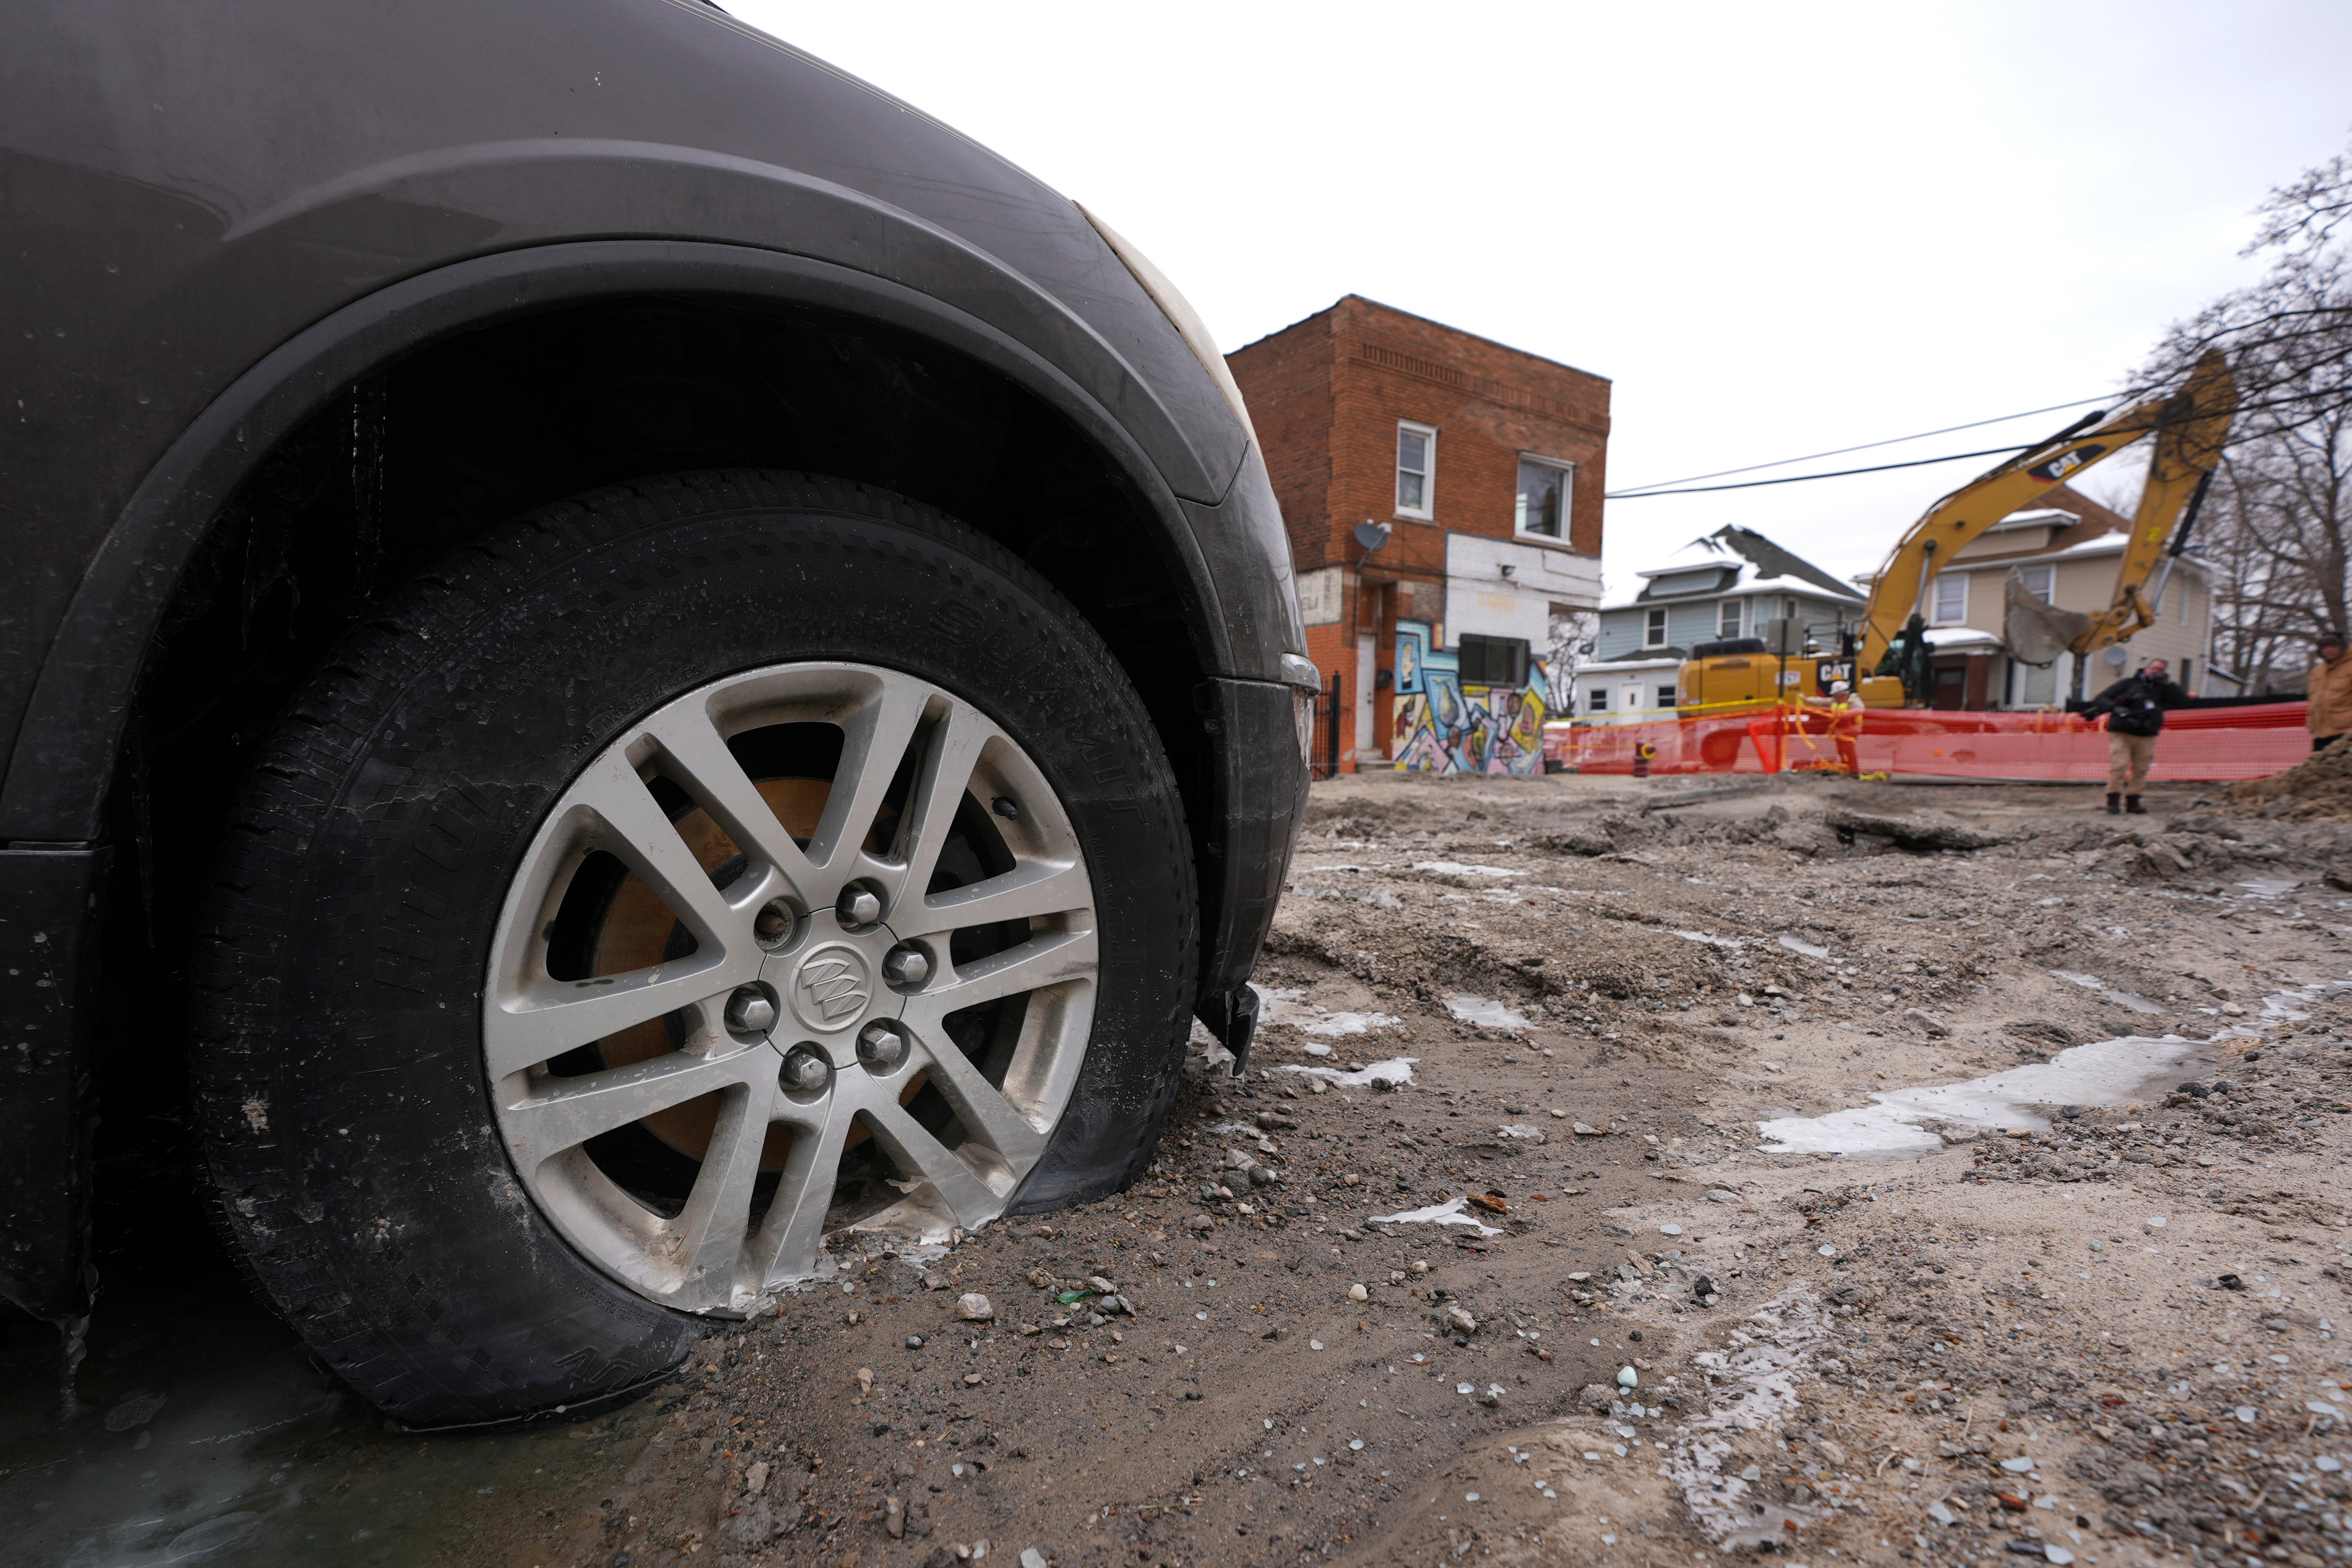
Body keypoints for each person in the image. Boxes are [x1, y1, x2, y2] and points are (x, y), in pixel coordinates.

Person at [2082, 656, 2187, 815]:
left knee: (2141, 769)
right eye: (2155, 669)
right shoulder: (2128, 684)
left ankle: (2134, 801)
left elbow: (2183, 703)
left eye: (2161, 670)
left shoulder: (2163, 689)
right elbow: (2101, 699)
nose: (2157, 672)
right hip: (2122, 731)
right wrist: (2116, 709)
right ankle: (2113, 800)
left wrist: (2169, 685)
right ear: (2147, 668)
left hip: (2147, 734)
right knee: (2120, 765)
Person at [2310, 632, 2351, 754]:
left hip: (2346, 733)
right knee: (2317, 770)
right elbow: (2313, 700)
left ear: (2342, 646)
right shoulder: (2317, 671)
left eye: (2333, 646)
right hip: (2321, 732)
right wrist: (2311, 723)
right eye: (2325, 647)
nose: (2329, 650)